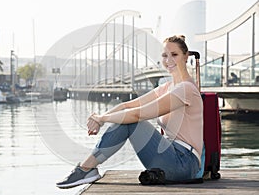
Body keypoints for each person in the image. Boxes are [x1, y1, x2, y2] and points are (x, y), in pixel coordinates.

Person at [56, 35, 203, 189]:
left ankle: (85, 168)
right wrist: (100, 118)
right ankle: (87, 169)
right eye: (165, 55)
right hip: (170, 155)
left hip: (184, 162)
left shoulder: (185, 89)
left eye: (174, 55)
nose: (169, 60)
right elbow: (127, 106)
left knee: (131, 122)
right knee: (126, 118)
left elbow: (137, 114)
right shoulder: (168, 87)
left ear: (186, 56)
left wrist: (102, 118)